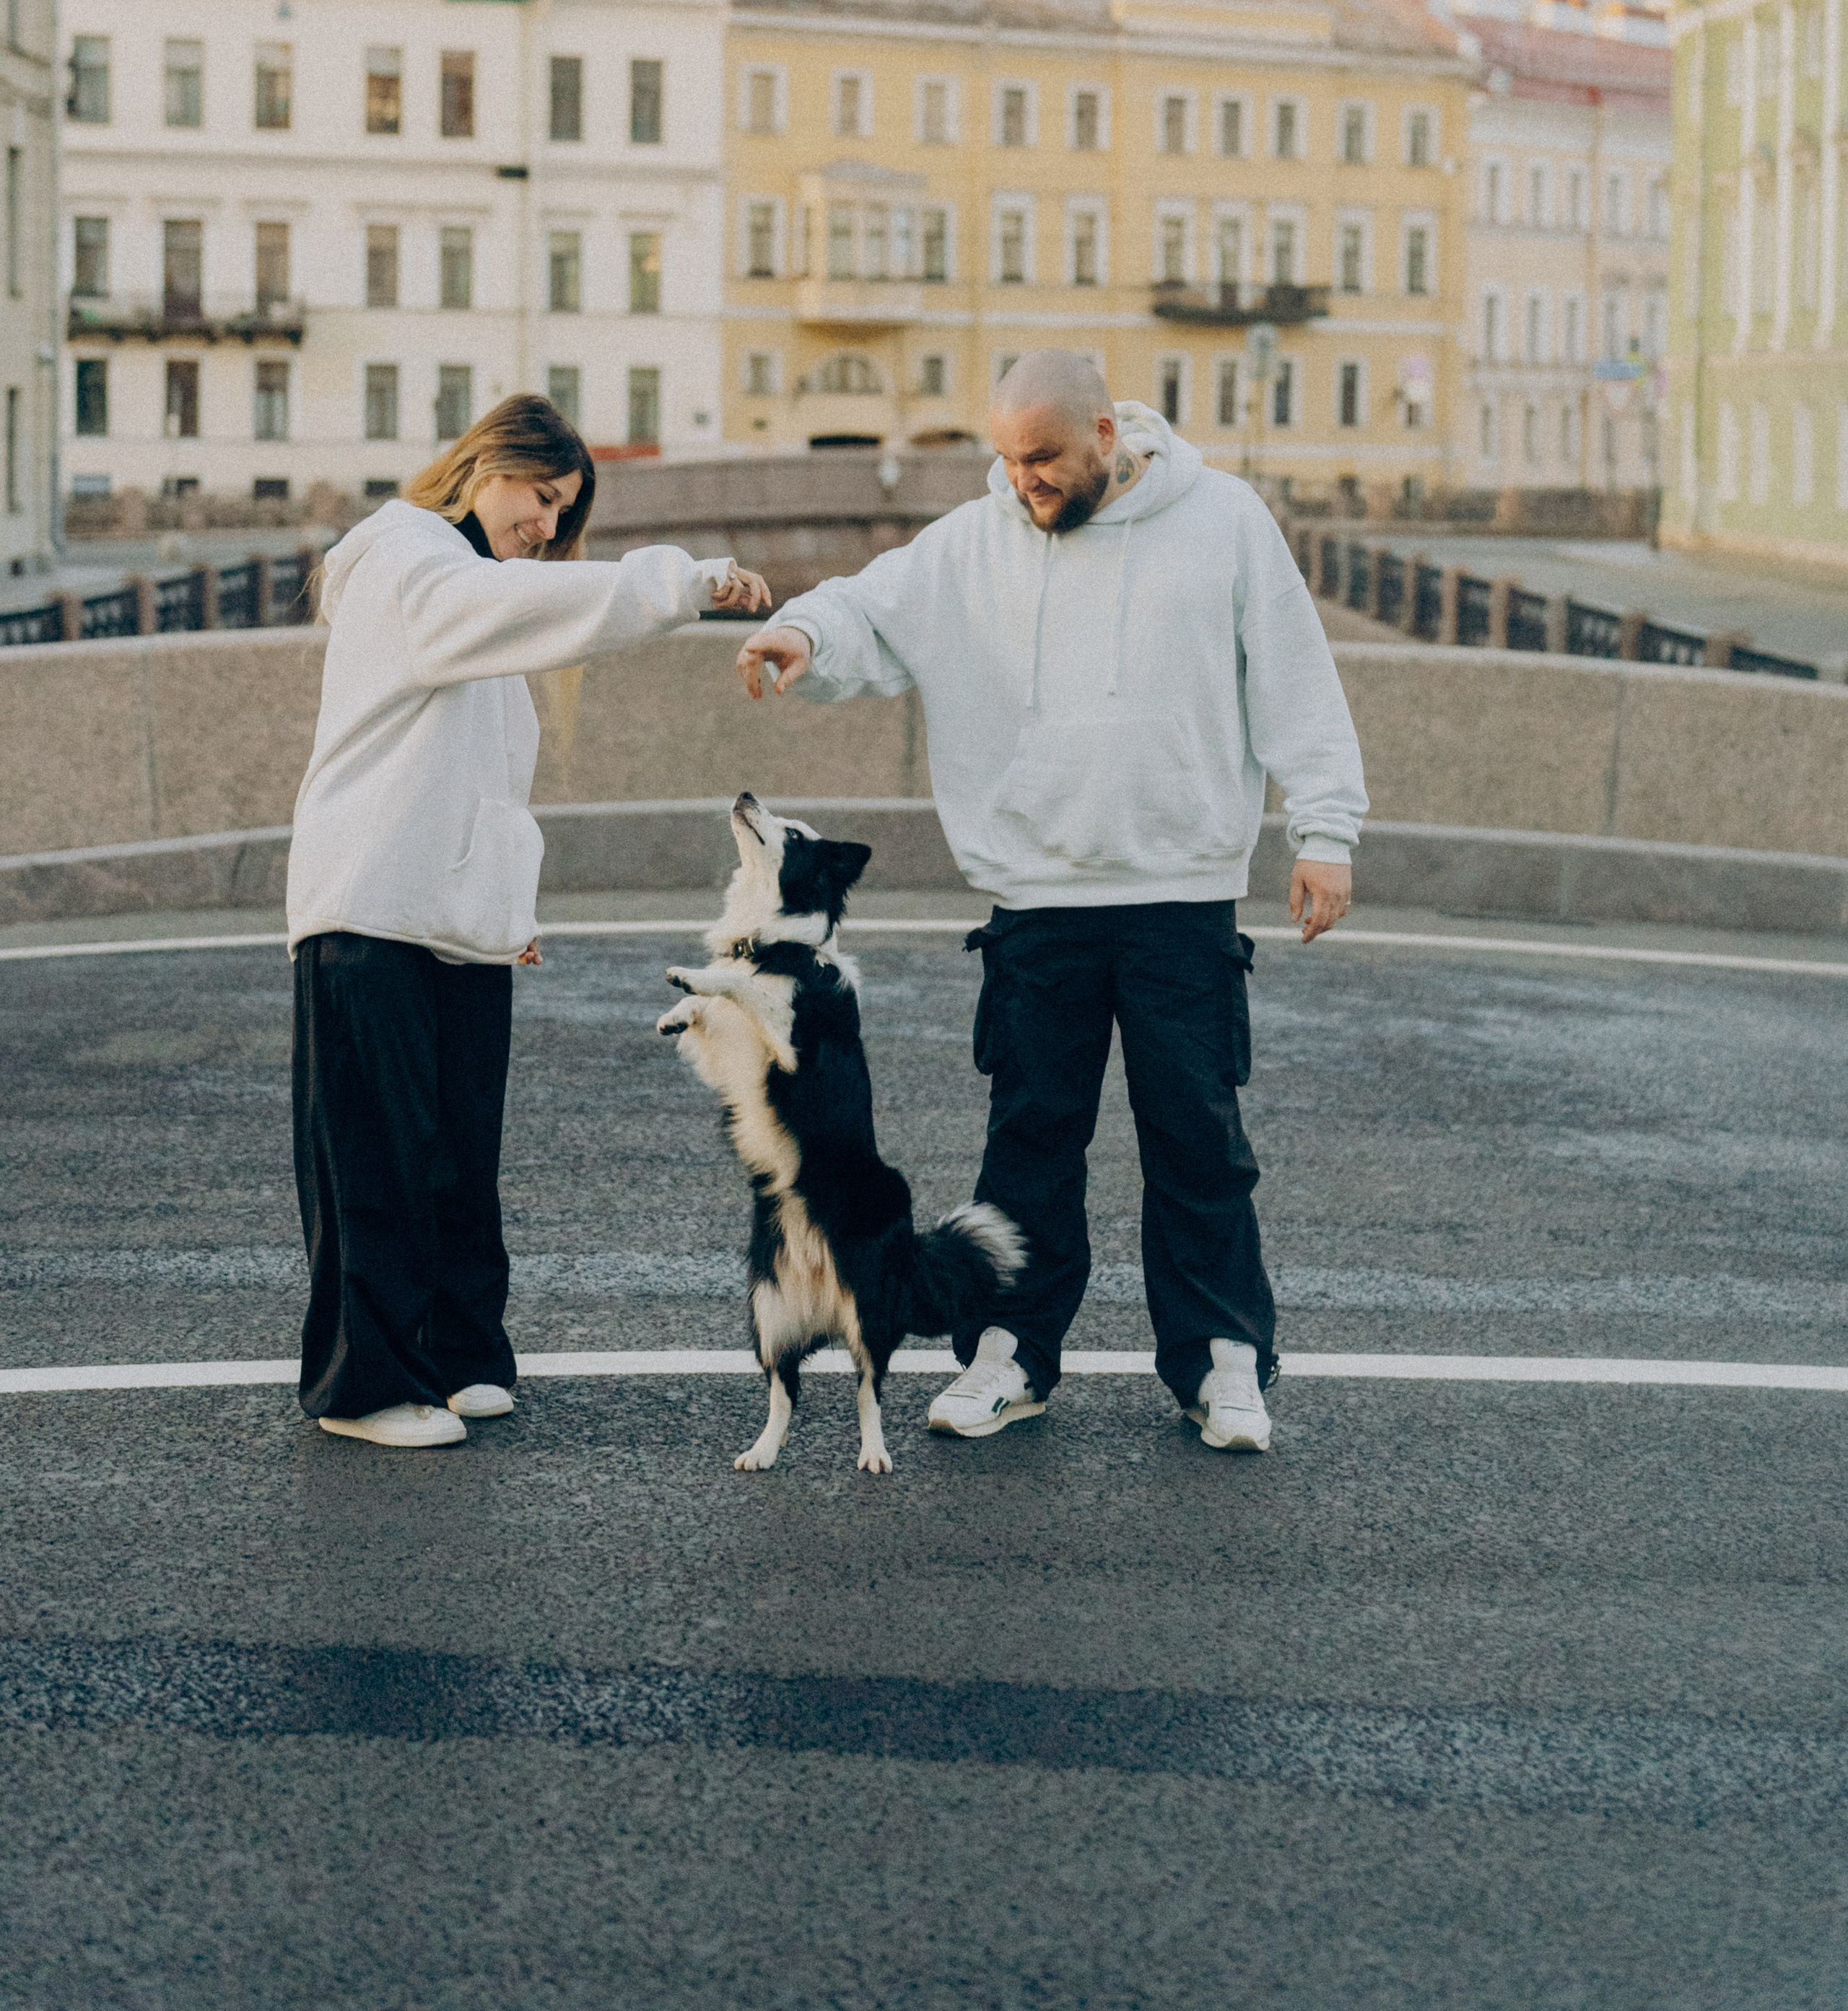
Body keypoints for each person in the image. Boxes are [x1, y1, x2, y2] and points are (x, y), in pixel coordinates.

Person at [737, 351, 1364, 1454]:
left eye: (1044, 459)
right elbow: (866, 611)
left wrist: (1324, 833)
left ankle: (1221, 1363)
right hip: (1035, 901)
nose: (1022, 479)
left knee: (1197, 1143)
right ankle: (1009, 1354)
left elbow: (1294, 674)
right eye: (1007, 458)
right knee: (1029, 1144)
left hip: (1182, 894)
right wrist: (802, 636)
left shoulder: (1221, 519)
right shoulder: (975, 544)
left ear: (1107, 436)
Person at [288, 393, 769, 1451]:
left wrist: (504, 908)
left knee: (460, 1152)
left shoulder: (472, 588)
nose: (548, 527)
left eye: (563, 511)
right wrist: (680, 581)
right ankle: (363, 1389)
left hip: (447, 916)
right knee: (379, 1156)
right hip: (368, 903)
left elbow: (484, 780)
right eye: (540, 497)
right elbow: (511, 606)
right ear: (481, 471)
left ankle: (459, 1356)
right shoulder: (404, 554)